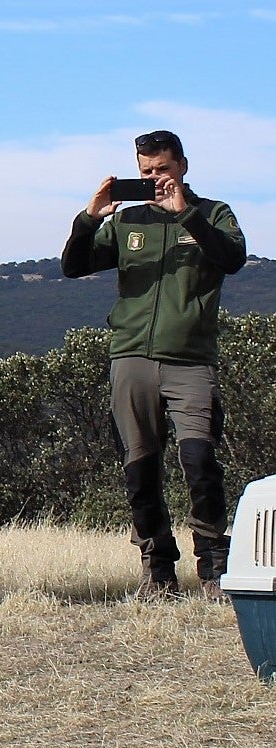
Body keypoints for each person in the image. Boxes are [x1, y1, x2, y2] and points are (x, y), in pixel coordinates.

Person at [60, 129, 248, 601]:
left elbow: (232, 258)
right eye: (147, 171)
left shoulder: (213, 213)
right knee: (140, 467)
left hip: (191, 359)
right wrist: (89, 218)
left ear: (182, 165)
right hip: (131, 355)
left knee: (200, 460)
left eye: (163, 169)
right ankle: (157, 568)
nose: (156, 178)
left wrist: (184, 213)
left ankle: (213, 566)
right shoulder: (129, 220)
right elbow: (73, 266)